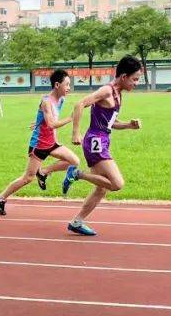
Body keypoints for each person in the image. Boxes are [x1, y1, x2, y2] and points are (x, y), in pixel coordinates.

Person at [59, 55, 144, 236]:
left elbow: (110, 123)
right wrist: (75, 131)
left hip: (102, 140)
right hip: (95, 142)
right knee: (117, 184)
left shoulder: (118, 95)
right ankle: (77, 173)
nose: (136, 83)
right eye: (134, 79)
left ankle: (77, 222)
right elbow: (80, 104)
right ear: (123, 77)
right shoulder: (106, 90)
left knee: (101, 188)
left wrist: (129, 125)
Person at [0, 69, 79, 215]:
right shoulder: (46, 102)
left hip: (51, 143)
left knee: (74, 161)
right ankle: (0, 198)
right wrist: (71, 118)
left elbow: (50, 120)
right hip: (39, 145)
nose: (69, 88)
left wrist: (52, 136)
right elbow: (51, 123)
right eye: (67, 84)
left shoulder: (61, 100)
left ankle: (43, 172)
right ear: (57, 85)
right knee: (27, 178)